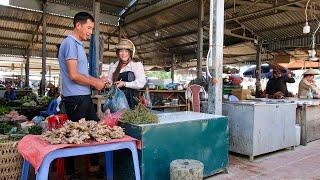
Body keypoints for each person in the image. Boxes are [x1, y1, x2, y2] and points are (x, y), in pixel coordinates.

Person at [58, 12, 106, 177]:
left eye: (92, 29)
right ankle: (69, 173)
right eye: (89, 28)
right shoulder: (70, 43)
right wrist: (95, 83)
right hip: (75, 98)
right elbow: (73, 75)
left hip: (83, 97)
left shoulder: (78, 45)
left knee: (95, 128)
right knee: (74, 134)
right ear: (78, 25)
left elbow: (82, 74)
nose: (90, 32)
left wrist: (98, 80)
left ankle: (93, 165)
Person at [107, 39, 146, 109]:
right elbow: (109, 82)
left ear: (130, 53)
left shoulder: (136, 64)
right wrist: (107, 83)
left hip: (132, 101)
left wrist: (125, 84)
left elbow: (141, 83)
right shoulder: (113, 65)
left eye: (126, 51)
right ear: (118, 53)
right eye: (121, 51)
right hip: (116, 101)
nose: (123, 54)